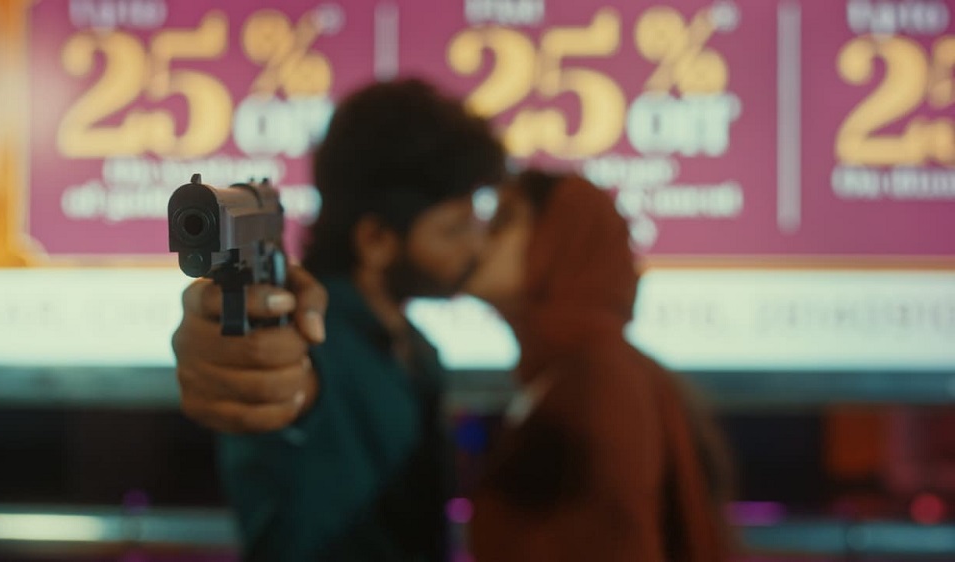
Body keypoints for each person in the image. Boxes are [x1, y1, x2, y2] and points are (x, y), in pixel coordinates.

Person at [171, 77, 506, 561]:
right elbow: (284, 374)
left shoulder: (416, 349)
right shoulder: (314, 336)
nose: (476, 245)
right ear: (376, 240)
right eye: (453, 229)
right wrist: (241, 351)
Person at [463, 169, 737, 561]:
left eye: (502, 222)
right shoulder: (574, 371)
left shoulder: (601, 382)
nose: (476, 242)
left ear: (563, 239)